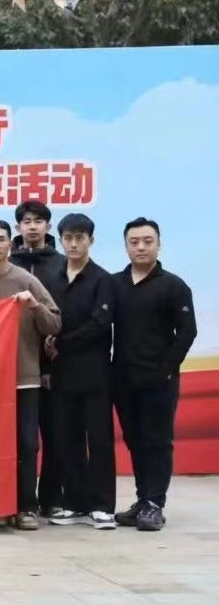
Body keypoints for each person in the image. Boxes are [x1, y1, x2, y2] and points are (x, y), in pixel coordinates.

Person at [0, 219, 62, 531]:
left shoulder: (26, 281)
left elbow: (55, 323)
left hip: (24, 378)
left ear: (10, 243)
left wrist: (33, 306)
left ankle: (27, 507)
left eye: (1, 239)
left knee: (27, 444)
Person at [110, 217, 196, 532]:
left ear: (159, 244)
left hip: (159, 380)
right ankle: (143, 499)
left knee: (157, 441)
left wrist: (166, 370)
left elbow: (187, 332)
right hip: (123, 378)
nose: (141, 247)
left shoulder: (173, 285)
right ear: (126, 246)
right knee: (135, 440)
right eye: (134, 242)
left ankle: (155, 504)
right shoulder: (114, 284)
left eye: (148, 241)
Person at [44, 214, 116, 530]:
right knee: (67, 438)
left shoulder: (103, 279)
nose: (73, 244)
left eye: (80, 238)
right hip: (62, 372)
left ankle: (102, 506)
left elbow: (100, 325)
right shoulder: (54, 278)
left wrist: (60, 341)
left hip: (95, 372)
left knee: (99, 439)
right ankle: (75, 502)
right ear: (60, 240)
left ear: (91, 240)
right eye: (68, 238)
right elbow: (47, 321)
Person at [11, 201, 66, 517]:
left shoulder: (61, 264)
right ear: (17, 227)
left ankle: (52, 497)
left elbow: (59, 314)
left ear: (48, 226)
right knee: (22, 441)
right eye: (26, 221)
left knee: (53, 435)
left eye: (39, 220)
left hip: (54, 364)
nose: (32, 226)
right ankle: (19, 501)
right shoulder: (8, 264)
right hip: (19, 367)